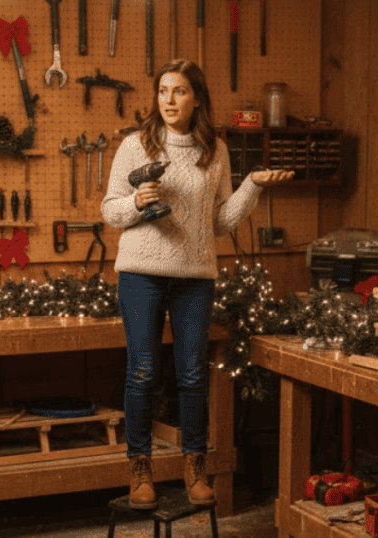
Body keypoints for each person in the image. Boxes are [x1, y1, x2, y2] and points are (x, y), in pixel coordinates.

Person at [101, 59, 293, 509]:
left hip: (193, 276)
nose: (169, 100)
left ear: (197, 99)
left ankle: (194, 469)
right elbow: (110, 211)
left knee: (191, 375)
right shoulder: (135, 145)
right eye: (163, 91)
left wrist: (253, 185)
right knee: (143, 372)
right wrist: (136, 201)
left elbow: (220, 223)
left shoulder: (215, 150)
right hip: (141, 274)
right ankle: (140, 470)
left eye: (180, 91)